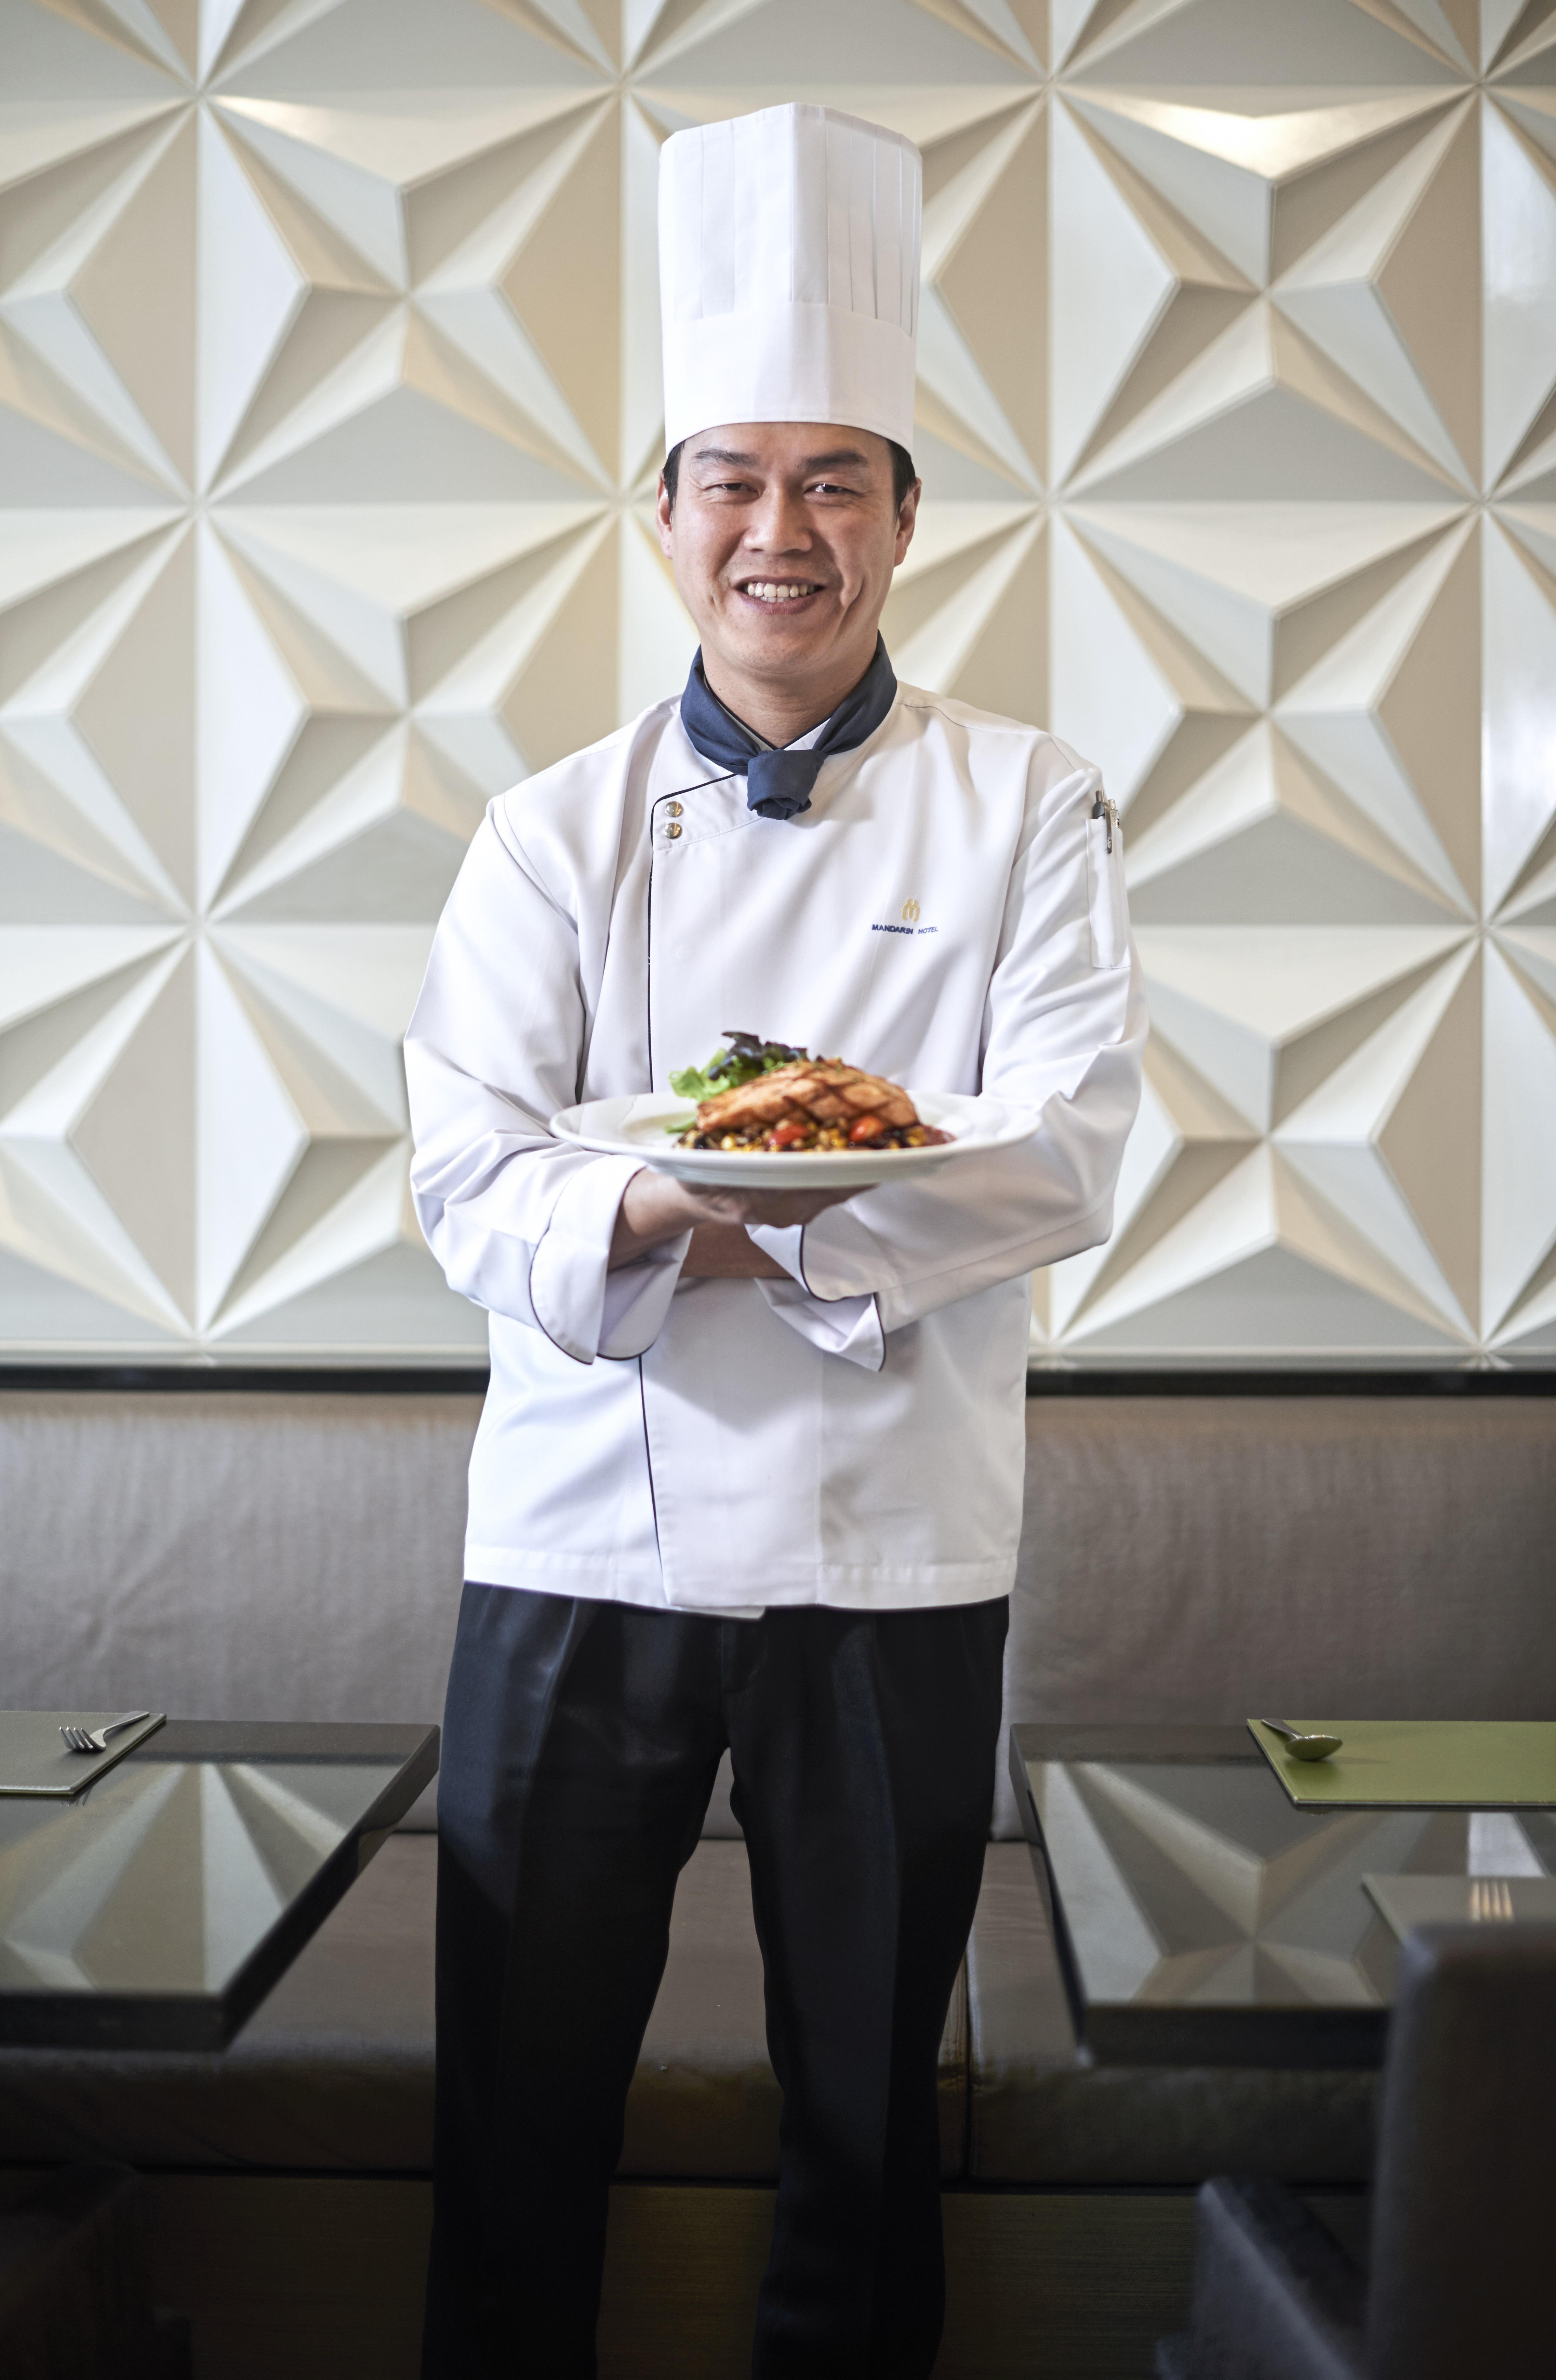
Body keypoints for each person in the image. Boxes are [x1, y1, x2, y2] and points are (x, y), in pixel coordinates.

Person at [405, 100, 1146, 2380]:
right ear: (664, 517)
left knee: (861, 2119)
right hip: (575, 1537)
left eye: (835, 482)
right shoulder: (547, 832)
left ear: (907, 519)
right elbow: (466, 1175)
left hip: (892, 1546)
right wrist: (693, 1202)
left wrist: (746, 1220)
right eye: (732, 479)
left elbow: (1065, 1146)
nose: (780, 531)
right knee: (514, 2107)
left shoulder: (1028, 801)